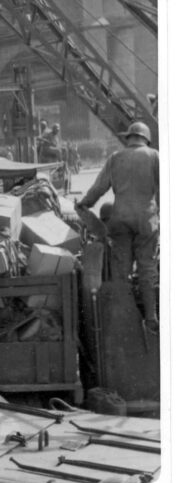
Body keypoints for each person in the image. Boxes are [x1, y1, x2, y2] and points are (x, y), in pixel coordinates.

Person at [75, 122, 160, 332]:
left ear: (128, 138)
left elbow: (98, 188)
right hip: (146, 221)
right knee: (147, 269)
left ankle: (125, 320)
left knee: (121, 273)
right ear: (146, 139)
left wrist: (84, 204)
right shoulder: (154, 156)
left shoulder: (115, 158)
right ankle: (151, 317)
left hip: (120, 220)